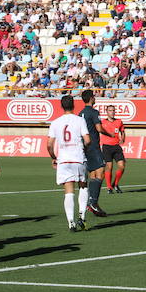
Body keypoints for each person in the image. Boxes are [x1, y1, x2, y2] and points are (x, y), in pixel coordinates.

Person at [47, 95, 91, 231]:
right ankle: (82, 216)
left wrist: (54, 157)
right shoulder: (80, 120)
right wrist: (84, 149)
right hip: (78, 158)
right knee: (83, 186)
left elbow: (49, 145)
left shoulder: (55, 122)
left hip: (64, 160)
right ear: (74, 105)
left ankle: (71, 222)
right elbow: (88, 140)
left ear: (61, 106)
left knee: (68, 191)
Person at [79, 89, 112, 217]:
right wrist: (109, 133)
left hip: (84, 146)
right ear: (91, 98)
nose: (95, 98)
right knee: (101, 172)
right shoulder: (94, 112)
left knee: (93, 174)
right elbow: (98, 128)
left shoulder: (80, 113)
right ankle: (93, 202)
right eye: (94, 96)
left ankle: (92, 204)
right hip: (93, 146)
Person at [101, 104, 126, 194]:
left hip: (116, 146)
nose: (112, 112)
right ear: (107, 112)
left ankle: (115, 184)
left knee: (122, 166)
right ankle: (109, 187)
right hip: (106, 146)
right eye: (110, 110)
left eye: (113, 110)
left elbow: (122, 131)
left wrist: (123, 138)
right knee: (109, 167)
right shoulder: (102, 122)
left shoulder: (119, 121)